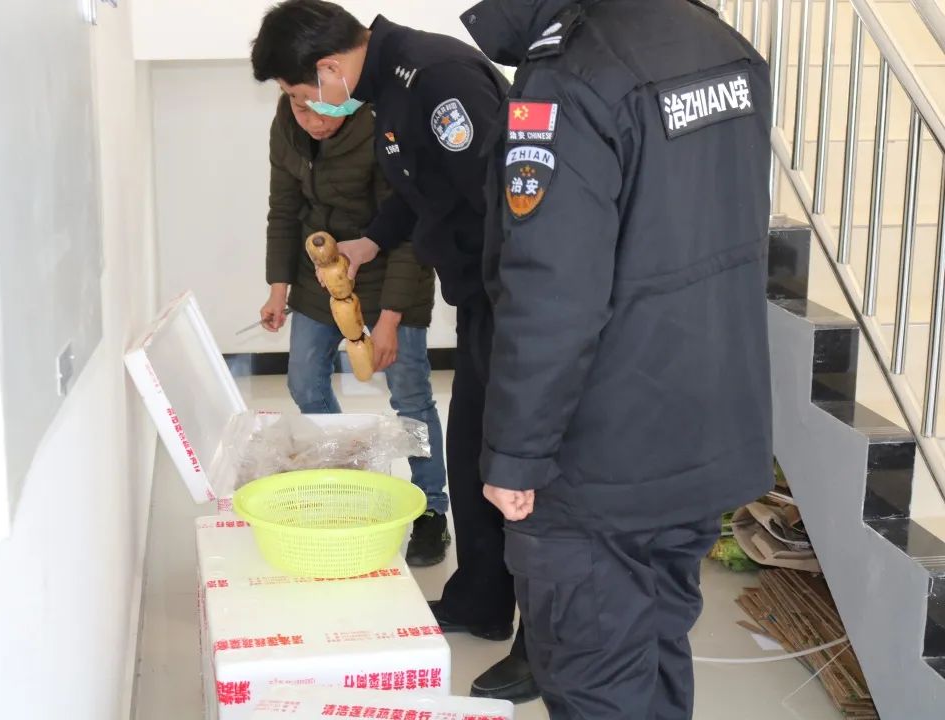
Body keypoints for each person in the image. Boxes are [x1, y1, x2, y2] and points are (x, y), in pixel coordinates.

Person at [462, 0, 774, 718]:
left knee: (596, 676)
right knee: (657, 646)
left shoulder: (570, 73)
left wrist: (515, 454)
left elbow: (551, 292)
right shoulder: (718, 42)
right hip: (700, 425)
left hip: (600, 454)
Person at [251, 1, 538, 703]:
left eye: (298, 91)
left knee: (523, 469)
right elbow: (422, 188)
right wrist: (371, 241)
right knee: (472, 450)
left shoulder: (437, 80)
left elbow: (512, 198)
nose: (303, 106)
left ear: (328, 68)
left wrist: (519, 307)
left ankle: (547, 645)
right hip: (482, 297)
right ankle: (481, 599)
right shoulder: (390, 85)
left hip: (519, 300)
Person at [257, 77, 451, 567]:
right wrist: (278, 289)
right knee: (305, 381)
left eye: (320, 109)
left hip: (391, 271)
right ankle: (351, 481)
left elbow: (411, 228)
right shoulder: (287, 125)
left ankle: (432, 509)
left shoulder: (384, 124)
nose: (312, 122)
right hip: (321, 274)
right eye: (299, 108)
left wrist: (390, 321)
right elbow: (284, 210)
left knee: (410, 396)